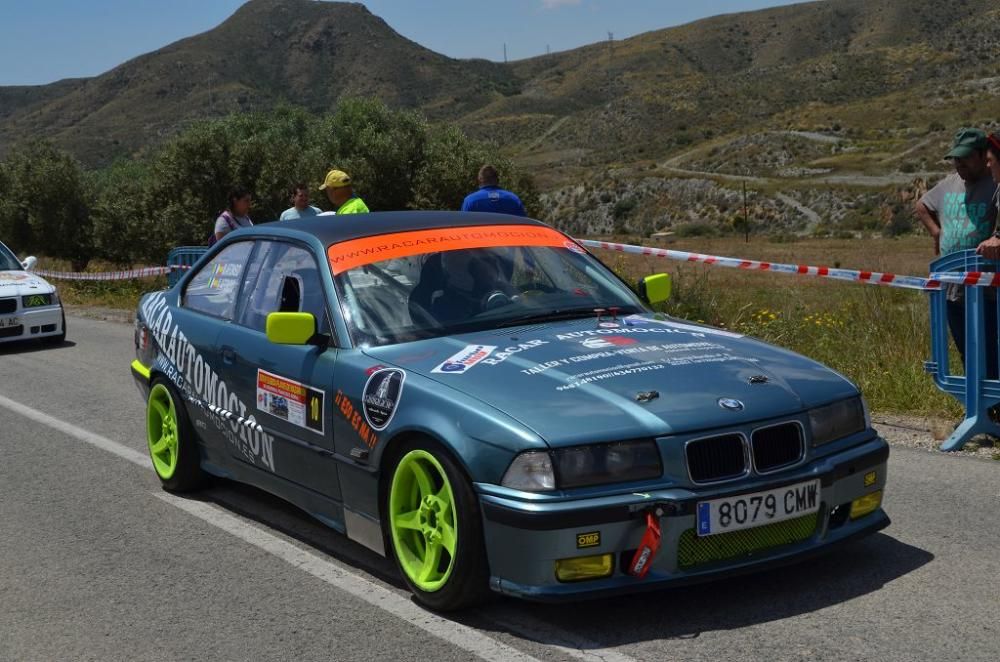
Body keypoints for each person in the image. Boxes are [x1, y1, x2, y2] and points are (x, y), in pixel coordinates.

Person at [916, 128, 999, 375]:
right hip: (951, 285)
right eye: (955, 158)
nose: (958, 163)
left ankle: (993, 405)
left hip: (984, 287)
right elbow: (922, 205)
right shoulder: (950, 183)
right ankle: (976, 405)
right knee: (965, 347)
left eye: (964, 157)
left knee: (989, 348)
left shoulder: (994, 182)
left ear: (983, 156)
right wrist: (936, 232)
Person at [461, 165, 527, 216]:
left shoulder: (470, 201)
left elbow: (464, 227)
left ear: (480, 180)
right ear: (497, 179)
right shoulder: (514, 199)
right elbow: (523, 225)